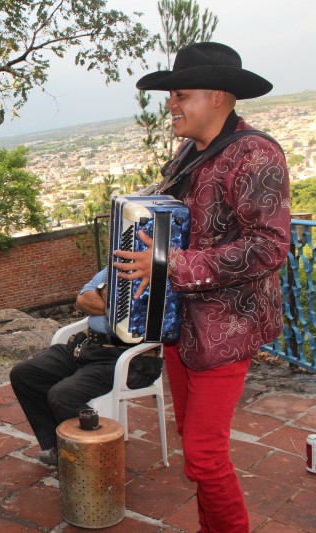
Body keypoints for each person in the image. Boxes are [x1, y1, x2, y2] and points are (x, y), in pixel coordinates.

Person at [114, 42, 290, 533]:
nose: (170, 104)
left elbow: (270, 246)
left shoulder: (256, 155)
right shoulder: (190, 152)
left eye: (180, 94)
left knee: (205, 456)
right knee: (194, 443)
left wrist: (171, 265)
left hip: (227, 329)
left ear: (217, 96)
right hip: (184, 326)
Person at [9, 268, 162, 466]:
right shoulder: (113, 266)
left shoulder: (158, 270)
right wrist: (116, 306)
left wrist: (102, 295)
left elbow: (140, 316)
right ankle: (60, 446)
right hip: (89, 346)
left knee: (62, 396)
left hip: (130, 357)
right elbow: (82, 300)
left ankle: (98, 454)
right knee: (24, 374)